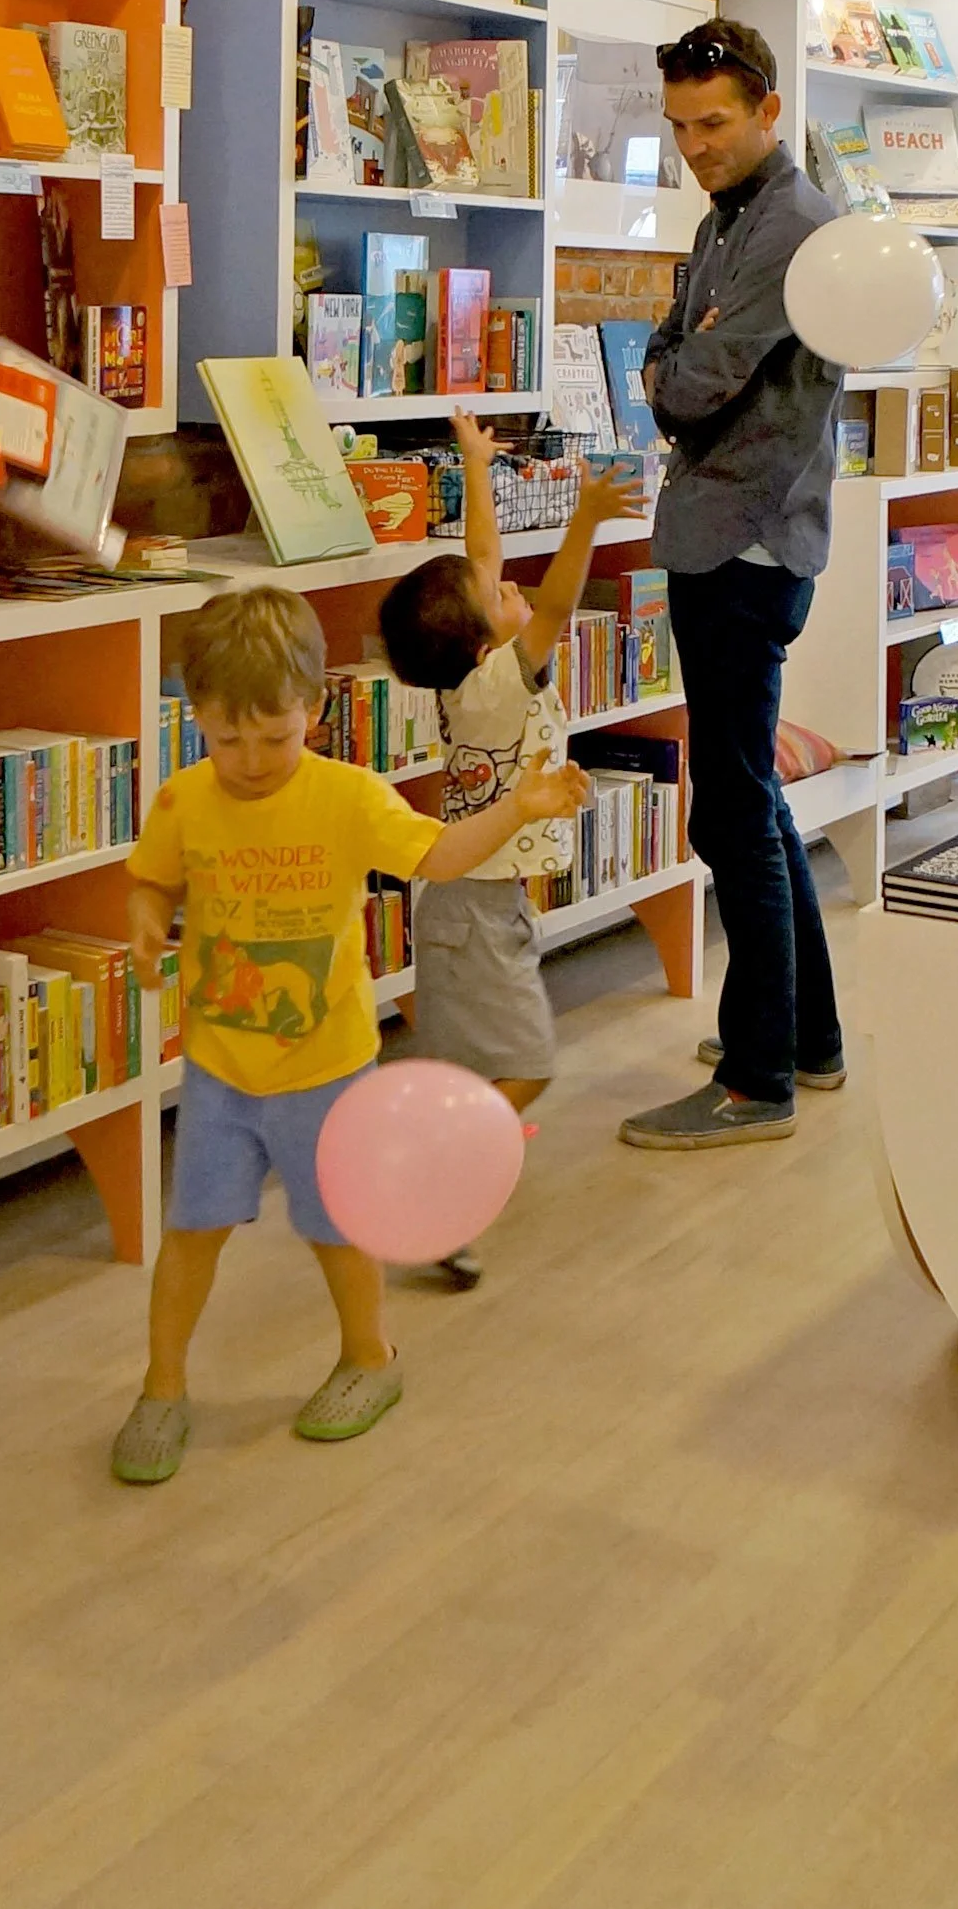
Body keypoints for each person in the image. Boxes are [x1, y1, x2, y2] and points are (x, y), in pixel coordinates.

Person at [111, 587, 589, 1484]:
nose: (250, 760)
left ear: (317, 709)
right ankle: (162, 1384)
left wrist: (518, 810)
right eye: (225, 739)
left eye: (274, 736)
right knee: (192, 1234)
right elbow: (154, 881)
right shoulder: (184, 800)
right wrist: (143, 922)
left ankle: (370, 1358)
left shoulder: (348, 797)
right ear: (196, 719)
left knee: (338, 1230)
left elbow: (440, 855)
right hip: (219, 1068)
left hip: (326, 1069)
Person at [617, 18, 848, 1152]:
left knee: (731, 810)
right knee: (749, 798)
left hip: (745, 540)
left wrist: (675, 364)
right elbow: (670, 343)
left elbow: (687, 380)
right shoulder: (729, 221)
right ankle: (804, 1033)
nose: (694, 145)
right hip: (726, 533)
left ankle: (759, 1076)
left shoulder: (794, 225)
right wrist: (677, 355)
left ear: (766, 109)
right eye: (679, 129)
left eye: (713, 122)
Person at [378, 418, 640, 1283]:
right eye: (498, 596)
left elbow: (480, 554)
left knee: (478, 1061)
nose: (511, 586)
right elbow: (557, 605)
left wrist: (480, 467)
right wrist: (586, 519)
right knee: (527, 1062)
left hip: (476, 903)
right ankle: (441, 1174)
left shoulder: (470, 667)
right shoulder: (496, 685)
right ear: (490, 643)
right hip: (476, 910)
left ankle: (433, 1171)